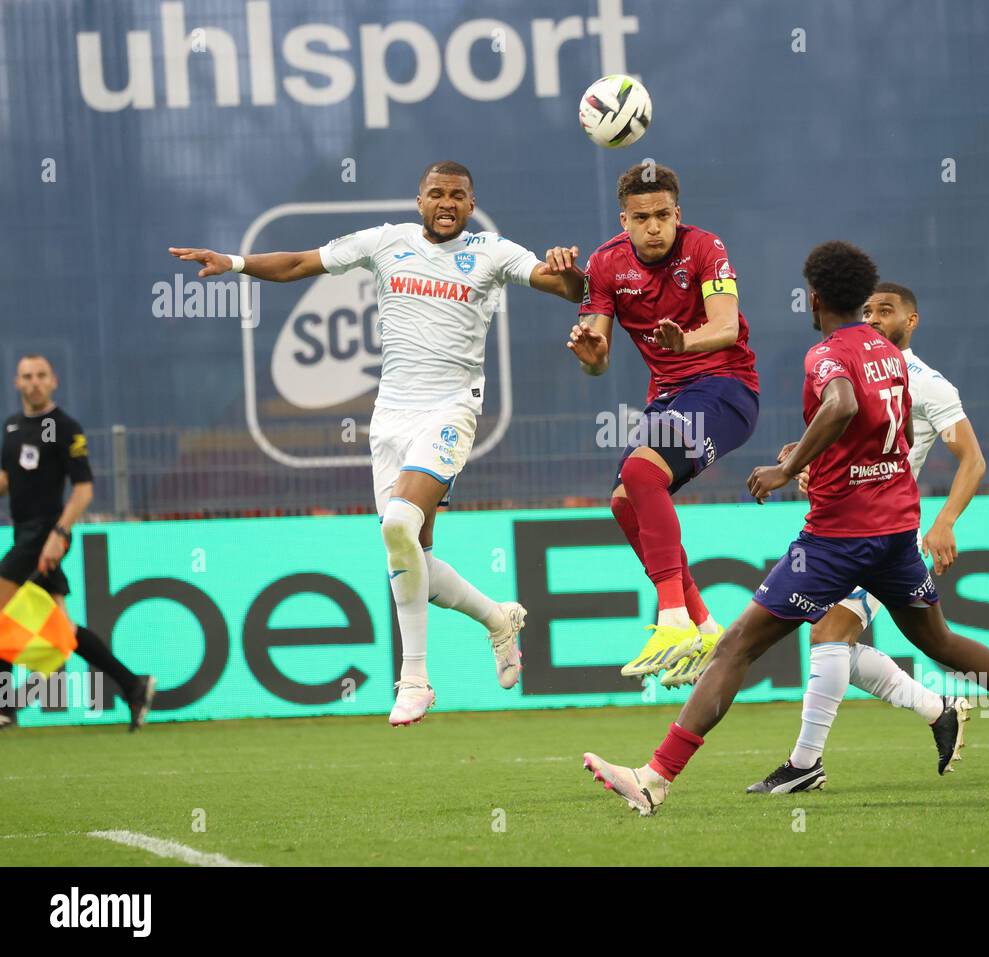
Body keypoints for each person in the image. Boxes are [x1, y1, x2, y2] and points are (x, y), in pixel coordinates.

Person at [582, 241, 989, 816]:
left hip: (836, 539)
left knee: (736, 648)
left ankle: (656, 778)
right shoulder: (892, 355)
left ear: (816, 297)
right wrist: (816, 457)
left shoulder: (826, 355)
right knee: (941, 642)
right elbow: (883, 439)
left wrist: (789, 467)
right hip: (895, 530)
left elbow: (844, 405)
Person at [170, 161, 585, 726]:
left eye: (457, 195)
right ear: (419, 201)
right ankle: (497, 619)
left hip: (451, 410)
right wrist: (234, 262)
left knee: (396, 527)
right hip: (390, 418)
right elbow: (298, 263)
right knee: (412, 551)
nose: (446, 202)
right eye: (435, 193)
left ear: (470, 203)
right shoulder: (385, 242)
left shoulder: (492, 251)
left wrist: (572, 272)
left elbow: (564, 290)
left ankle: (414, 677)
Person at [747, 282, 986, 793]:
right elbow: (856, 443)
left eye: (887, 310)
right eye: (869, 310)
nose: (875, 319)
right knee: (831, 639)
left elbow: (971, 457)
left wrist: (945, 521)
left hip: (886, 532)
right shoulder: (862, 369)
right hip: (856, 525)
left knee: (835, 637)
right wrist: (812, 464)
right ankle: (937, 709)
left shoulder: (925, 381)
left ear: (912, 319)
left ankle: (805, 763)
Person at [567, 163, 760, 688]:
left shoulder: (705, 248)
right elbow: (597, 358)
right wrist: (590, 355)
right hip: (670, 397)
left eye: (663, 216)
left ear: (678, 214)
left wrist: (685, 342)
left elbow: (723, 326)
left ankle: (671, 617)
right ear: (623, 220)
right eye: (642, 218)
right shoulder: (605, 265)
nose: (654, 227)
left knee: (642, 473)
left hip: (727, 388)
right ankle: (703, 625)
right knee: (624, 500)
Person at [0, 355, 156, 731]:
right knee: (64, 631)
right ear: (16, 383)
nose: (34, 382)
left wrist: (60, 533)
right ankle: (134, 686)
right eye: (27, 377)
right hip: (24, 532)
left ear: (53, 381)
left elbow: (83, 489)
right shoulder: (11, 426)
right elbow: (6, 480)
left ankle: (4, 707)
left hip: (45, 534)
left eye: (41, 376)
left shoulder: (63, 427)